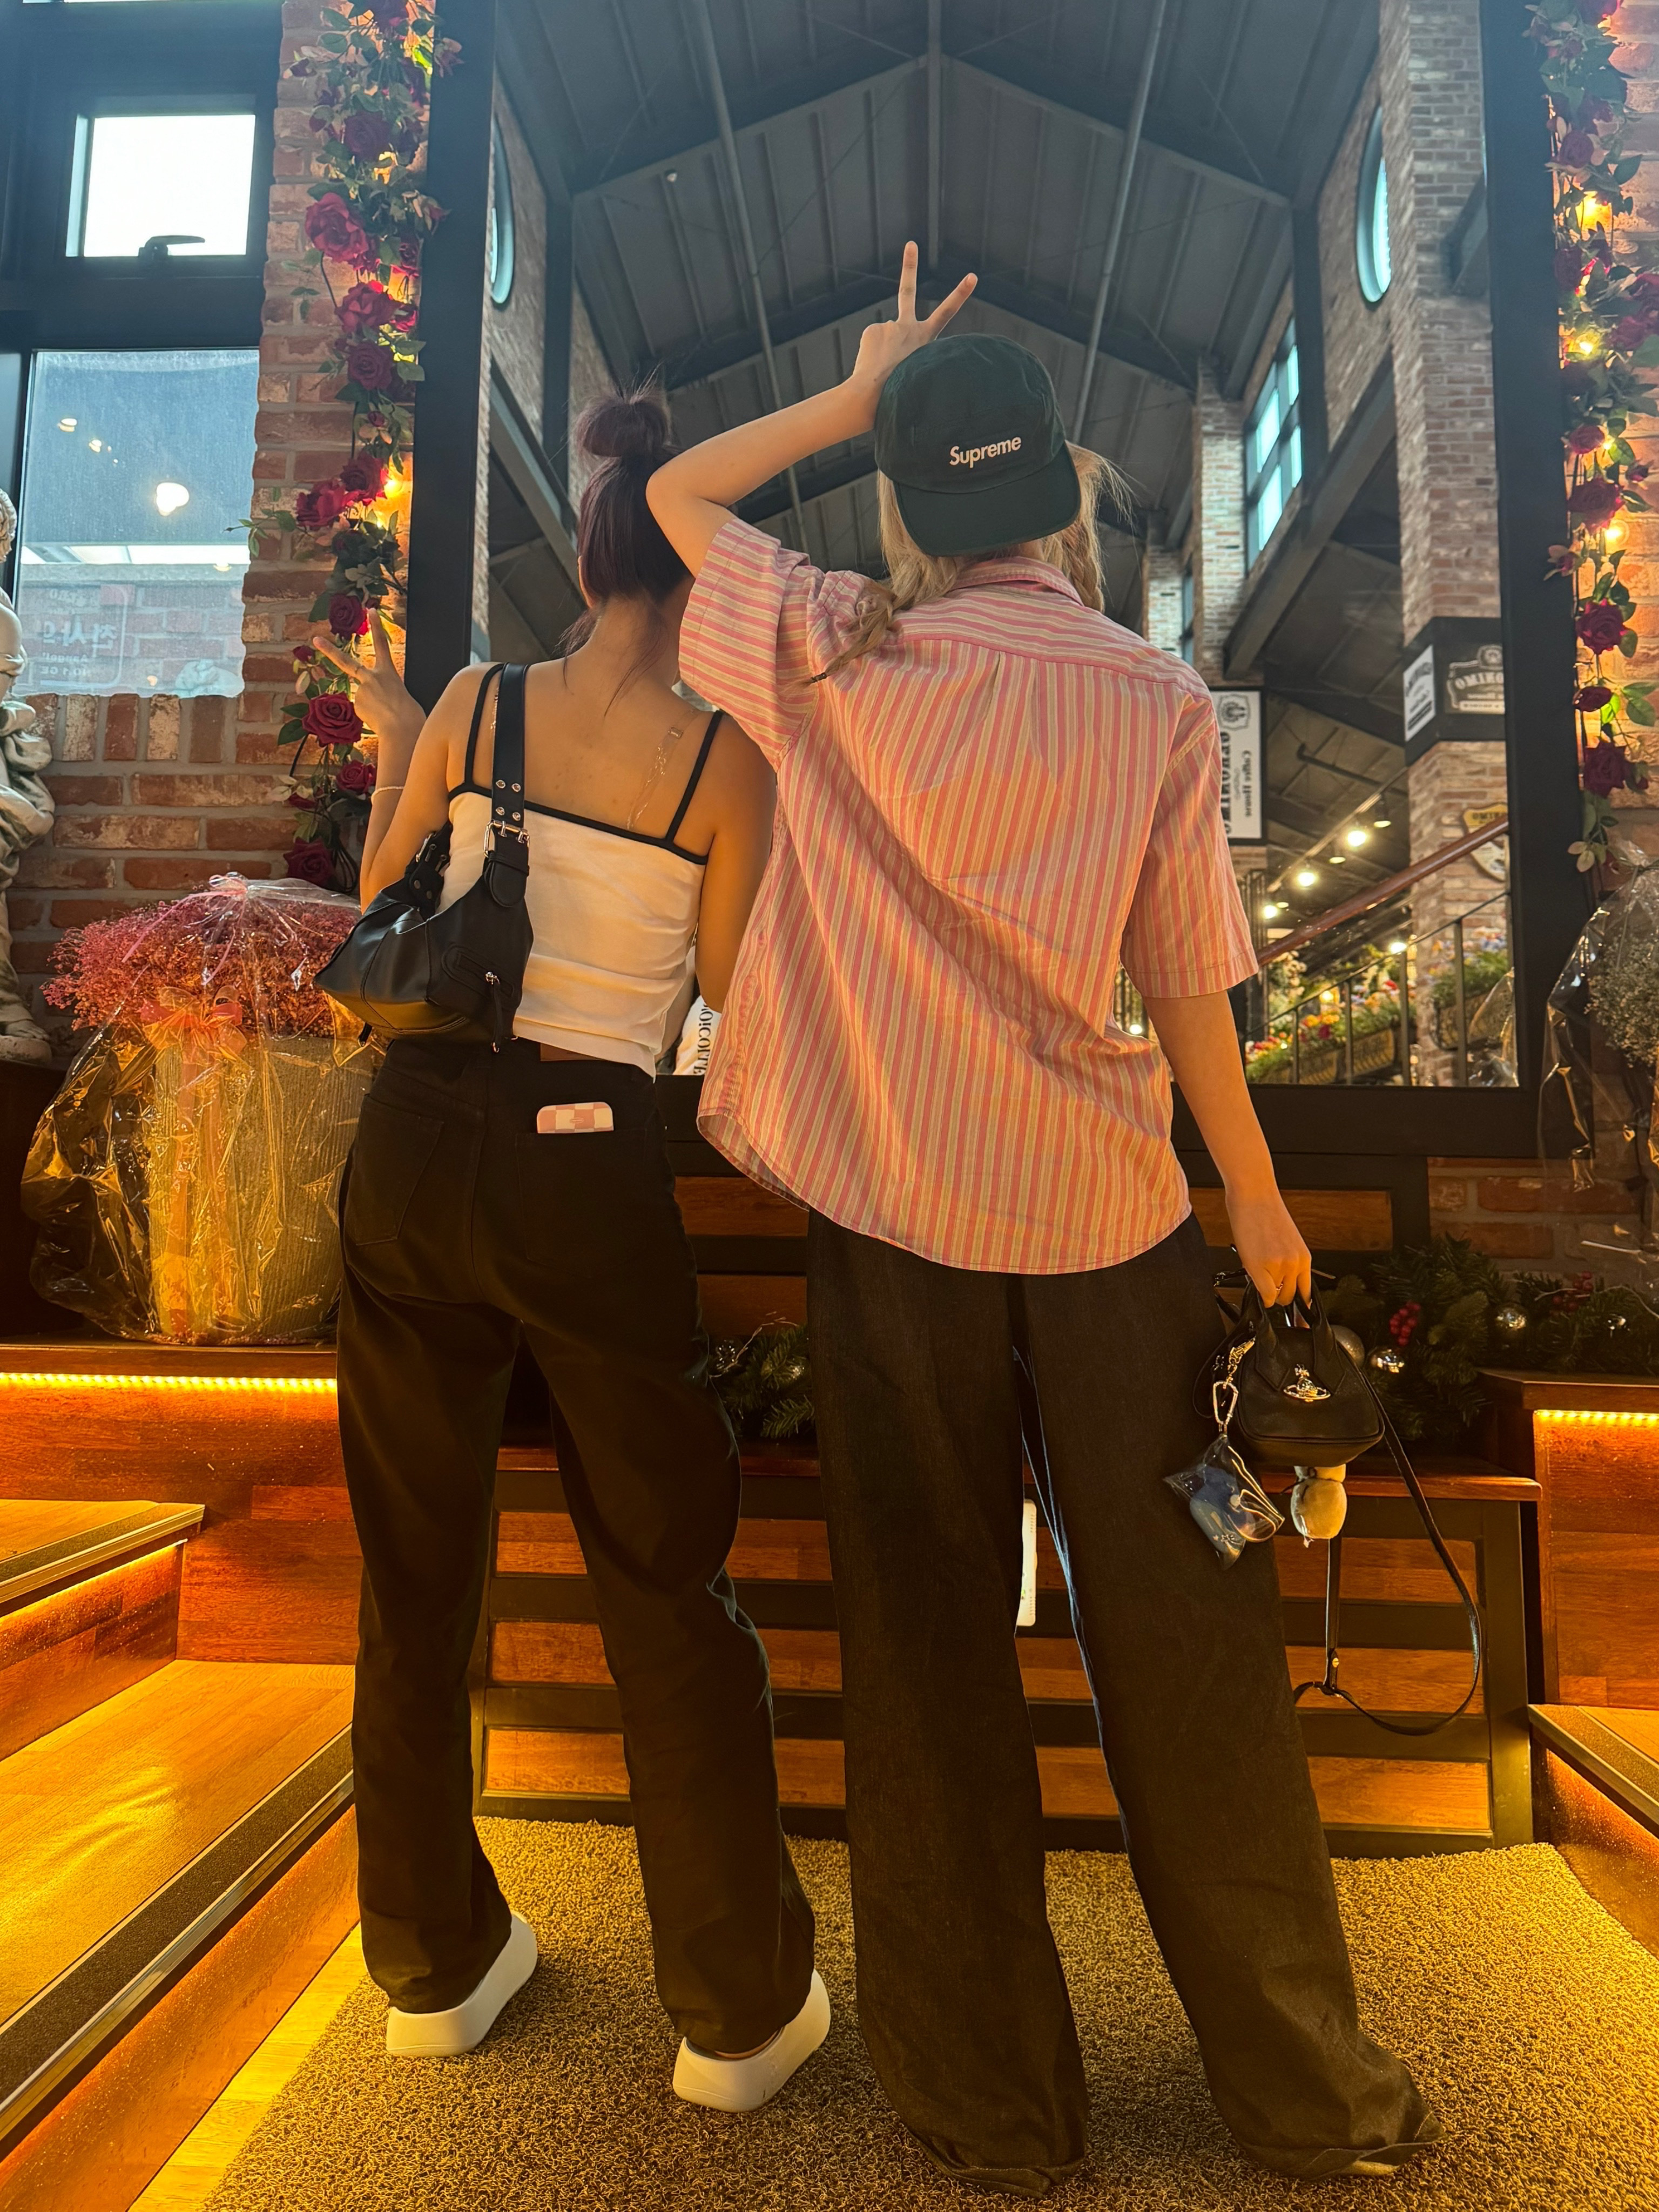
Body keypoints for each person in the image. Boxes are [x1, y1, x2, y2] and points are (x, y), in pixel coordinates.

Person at [644, 247, 1440, 2195]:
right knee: (1193, 1646)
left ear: (912, 509)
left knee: (924, 1654)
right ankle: (1308, 2091)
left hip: (892, 1221)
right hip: (1109, 1226)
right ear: (1072, 496)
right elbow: (1188, 980)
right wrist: (1257, 1198)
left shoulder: (833, 651)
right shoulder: (1155, 696)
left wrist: (860, 392)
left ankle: (995, 2105)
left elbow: (671, 498)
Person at [322, 390, 829, 2111]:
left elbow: (386, 910)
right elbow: (733, 1001)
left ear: (591, 556)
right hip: (587, 1163)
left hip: (412, 1148)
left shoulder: (479, 702)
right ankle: (735, 2012)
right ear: (708, 584)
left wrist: (415, 741)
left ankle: (431, 1964)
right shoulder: (726, 763)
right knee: (663, 1576)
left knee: (413, 1569)